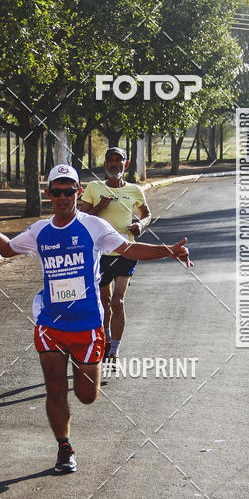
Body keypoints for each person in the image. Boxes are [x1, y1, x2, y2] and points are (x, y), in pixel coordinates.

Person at [0, 164, 192, 474]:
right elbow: (6, 250)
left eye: (69, 191)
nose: (62, 197)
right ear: (49, 195)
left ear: (78, 193)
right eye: (56, 191)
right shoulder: (40, 231)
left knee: (86, 396)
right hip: (50, 325)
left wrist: (167, 250)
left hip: (87, 325)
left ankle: (84, 374)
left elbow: (128, 249)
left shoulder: (93, 227)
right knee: (55, 388)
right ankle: (64, 447)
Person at [79, 147, 150, 366]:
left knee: (118, 301)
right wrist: (99, 207)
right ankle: (107, 337)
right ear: (105, 165)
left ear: (126, 165)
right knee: (104, 300)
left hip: (126, 250)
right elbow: (81, 217)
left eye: (118, 161)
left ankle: (115, 350)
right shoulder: (94, 187)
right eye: (110, 160)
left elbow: (146, 214)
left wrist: (140, 224)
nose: (114, 164)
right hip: (99, 252)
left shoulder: (134, 190)